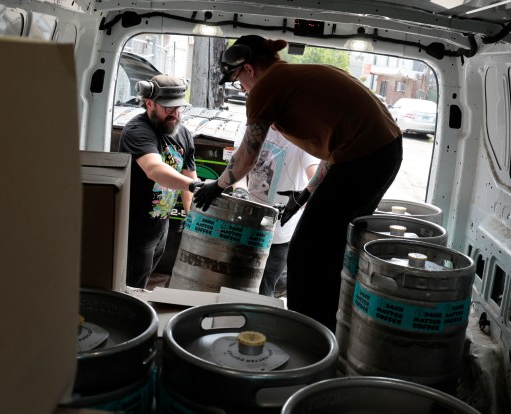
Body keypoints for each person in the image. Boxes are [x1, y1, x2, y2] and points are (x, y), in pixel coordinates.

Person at [193, 35, 403, 332]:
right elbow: (335, 152)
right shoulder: (297, 78)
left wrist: (218, 185)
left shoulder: (267, 87)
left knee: (307, 252)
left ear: (250, 69)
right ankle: (331, 325)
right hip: (382, 153)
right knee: (330, 249)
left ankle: (310, 333)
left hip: (366, 158)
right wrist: (303, 196)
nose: (240, 87)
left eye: (238, 79)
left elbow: (246, 158)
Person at [119, 75, 203, 289]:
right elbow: (154, 169)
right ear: (149, 103)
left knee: (144, 281)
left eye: (178, 108)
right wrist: (192, 185)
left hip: (160, 228)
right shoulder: (137, 131)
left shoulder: (183, 133)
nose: (174, 114)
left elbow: (190, 180)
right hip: (133, 232)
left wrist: (195, 222)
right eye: (168, 108)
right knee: (130, 289)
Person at [232, 127, 319, 297]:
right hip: (248, 223)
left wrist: (301, 199)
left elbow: (316, 179)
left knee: (263, 291)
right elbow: (238, 166)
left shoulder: (304, 136)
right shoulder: (251, 127)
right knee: (236, 285)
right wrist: (240, 190)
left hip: (279, 233)